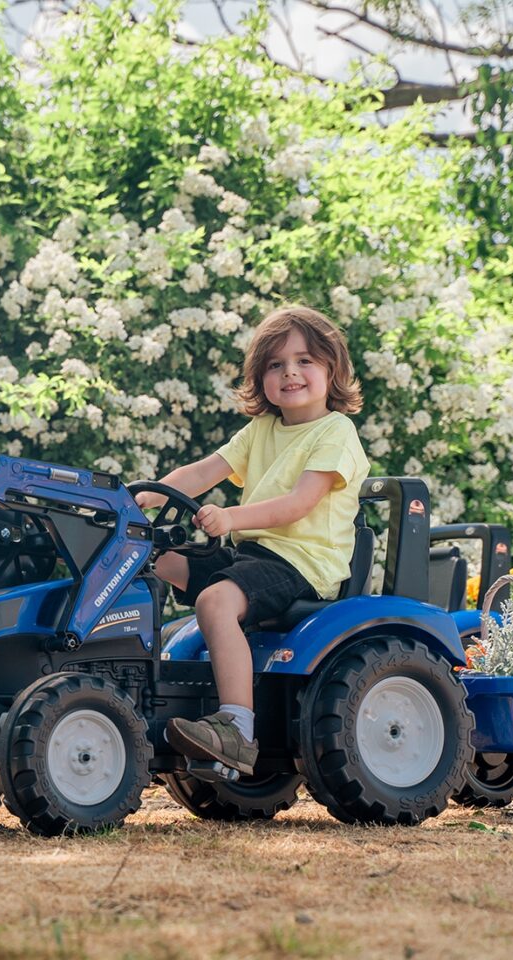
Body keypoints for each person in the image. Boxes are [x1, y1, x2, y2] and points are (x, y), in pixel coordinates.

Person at [135, 305, 370, 775]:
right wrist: (141, 498)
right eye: (276, 365)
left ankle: (237, 730)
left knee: (215, 603)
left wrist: (229, 515)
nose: (290, 373)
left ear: (332, 369)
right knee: (149, 559)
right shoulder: (262, 429)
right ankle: (138, 681)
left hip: (301, 564)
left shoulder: (335, 432)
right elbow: (202, 472)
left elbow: (298, 504)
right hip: (251, 559)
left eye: (305, 361)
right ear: (261, 377)